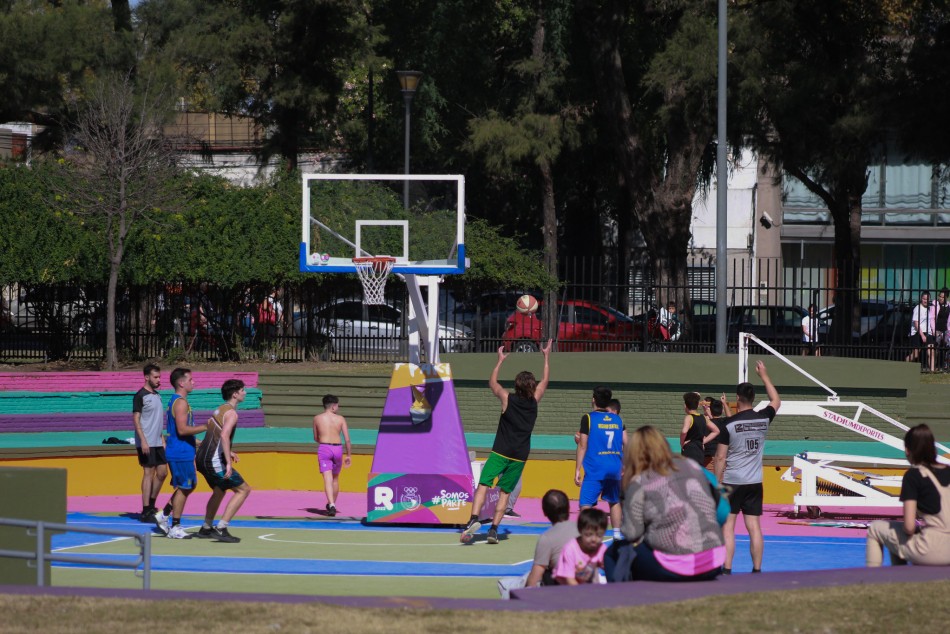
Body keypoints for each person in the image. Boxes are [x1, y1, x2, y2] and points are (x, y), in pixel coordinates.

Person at [461, 339, 553, 545]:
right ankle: (494, 530)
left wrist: (500, 361)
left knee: (484, 484)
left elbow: (492, 383)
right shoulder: (535, 401)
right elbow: (546, 381)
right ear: (532, 386)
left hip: (500, 451)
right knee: (505, 492)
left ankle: (473, 519)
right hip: (519, 455)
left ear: (516, 385)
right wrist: (546, 357)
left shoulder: (507, 398)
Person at [609, 425, 724, 582]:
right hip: (713, 561)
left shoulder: (639, 480)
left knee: (614, 552)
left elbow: (631, 533)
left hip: (676, 565)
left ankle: (619, 593)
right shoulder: (692, 466)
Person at [714, 360, 781, 573]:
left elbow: (720, 457)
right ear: (753, 398)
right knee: (754, 527)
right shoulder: (763, 418)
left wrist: (717, 482)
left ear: (737, 398)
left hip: (733, 482)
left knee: (728, 527)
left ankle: (727, 568)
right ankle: (757, 569)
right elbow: (776, 400)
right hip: (754, 481)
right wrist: (764, 376)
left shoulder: (729, 424)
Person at [867, 424, 950, 567]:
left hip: (930, 550)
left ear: (907, 450)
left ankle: (871, 578)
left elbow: (909, 527)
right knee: (896, 536)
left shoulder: (913, 476)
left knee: (876, 529)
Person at [195, 379, 252, 543]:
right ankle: (221, 528)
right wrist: (228, 462)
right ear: (235, 394)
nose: (245, 393)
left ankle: (206, 527)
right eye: (242, 390)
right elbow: (224, 435)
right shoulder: (232, 413)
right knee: (243, 490)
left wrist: (228, 451)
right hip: (214, 460)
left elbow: (215, 435)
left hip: (202, 457)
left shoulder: (219, 409)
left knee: (219, 490)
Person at [154, 368, 207, 539]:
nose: (194, 382)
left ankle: (164, 514)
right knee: (185, 486)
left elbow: (180, 432)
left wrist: (200, 442)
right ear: (181, 383)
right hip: (180, 452)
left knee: (189, 485)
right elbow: (182, 430)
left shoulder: (178, 401)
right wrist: (207, 426)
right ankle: (175, 526)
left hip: (182, 450)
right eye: (190, 380)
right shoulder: (180, 403)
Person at [497, 489, 579, 598]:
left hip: (560, 590)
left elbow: (535, 578)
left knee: (506, 585)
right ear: (568, 507)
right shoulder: (582, 530)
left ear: (544, 512)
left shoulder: (547, 538)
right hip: (585, 583)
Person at [575, 386, 625, 540]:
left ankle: (587, 534)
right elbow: (627, 443)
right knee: (614, 501)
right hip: (614, 466)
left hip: (596, 467)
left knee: (585, 503)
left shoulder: (588, 418)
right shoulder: (618, 419)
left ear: (593, 400)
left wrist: (577, 469)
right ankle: (617, 534)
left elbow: (582, 445)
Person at [132, 364, 166, 522]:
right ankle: (146, 510)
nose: (158, 380)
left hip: (158, 441)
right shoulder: (140, 396)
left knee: (162, 473)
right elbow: (136, 419)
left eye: (159, 377)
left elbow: (158, 421)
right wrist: (143, 441)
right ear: (146, 377)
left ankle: (152, 504)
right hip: (146, 442)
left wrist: (162, 440)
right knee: (148, 473)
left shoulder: (158, 396)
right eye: (155, 377)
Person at [313, 394, 352, 517]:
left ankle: (331, 504)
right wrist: (349, 455)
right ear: (334, 406)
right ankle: (332, 503)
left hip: (324, 447)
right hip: (338, 448)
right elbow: (347, 439)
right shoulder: (340, 419)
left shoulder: (317, 418)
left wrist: (324, 443)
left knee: (327, 478)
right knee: (335, 479)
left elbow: (316, 437)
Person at [554, 507, 608, 585]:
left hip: (585, 581)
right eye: (589, 535)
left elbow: (610, 570)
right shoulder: (571, 549)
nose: (594, 539)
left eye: (599, 535)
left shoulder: (601, 548)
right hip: (563, 585)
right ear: (580, 530)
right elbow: (569, 580)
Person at [679, 391, 719, 466]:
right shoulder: (703, 417)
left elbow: (684, 431)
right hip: (700, 450)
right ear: (698, 405)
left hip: (689, 450)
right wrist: (703, 441)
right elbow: (716, 431)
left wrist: (682, 443)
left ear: (685, 406)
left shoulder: (689, 417)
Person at [908, 291, 936, 372]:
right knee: (915, 355)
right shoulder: (918, 308)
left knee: (931, 352)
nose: (925, 301)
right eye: (924, 299)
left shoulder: (929, 309)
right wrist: (922, 335)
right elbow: (916, 323)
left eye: (927, 299)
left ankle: (932, 371)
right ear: (921, 298)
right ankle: (904, 364)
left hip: (928, 332)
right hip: (918, 333)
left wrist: (932, 331)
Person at [702, 394, 731, 469]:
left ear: (711, 411)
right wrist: (724, 403)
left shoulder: (707, 424)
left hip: (709, 456)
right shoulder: (725, 422)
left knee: (708, 476)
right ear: (722, 410)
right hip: (723, 456)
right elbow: (730, 417)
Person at [935, 289, 949, 371]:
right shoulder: (935, 304)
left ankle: (946, 365)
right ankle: (934, 365)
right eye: (939, 296)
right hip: (937, 329)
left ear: (946, 297)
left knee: (947, 347)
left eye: (942, 297)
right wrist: (934, 330)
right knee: (935, 348)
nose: (940, 298)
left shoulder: (949, 306)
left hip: (946, 330)